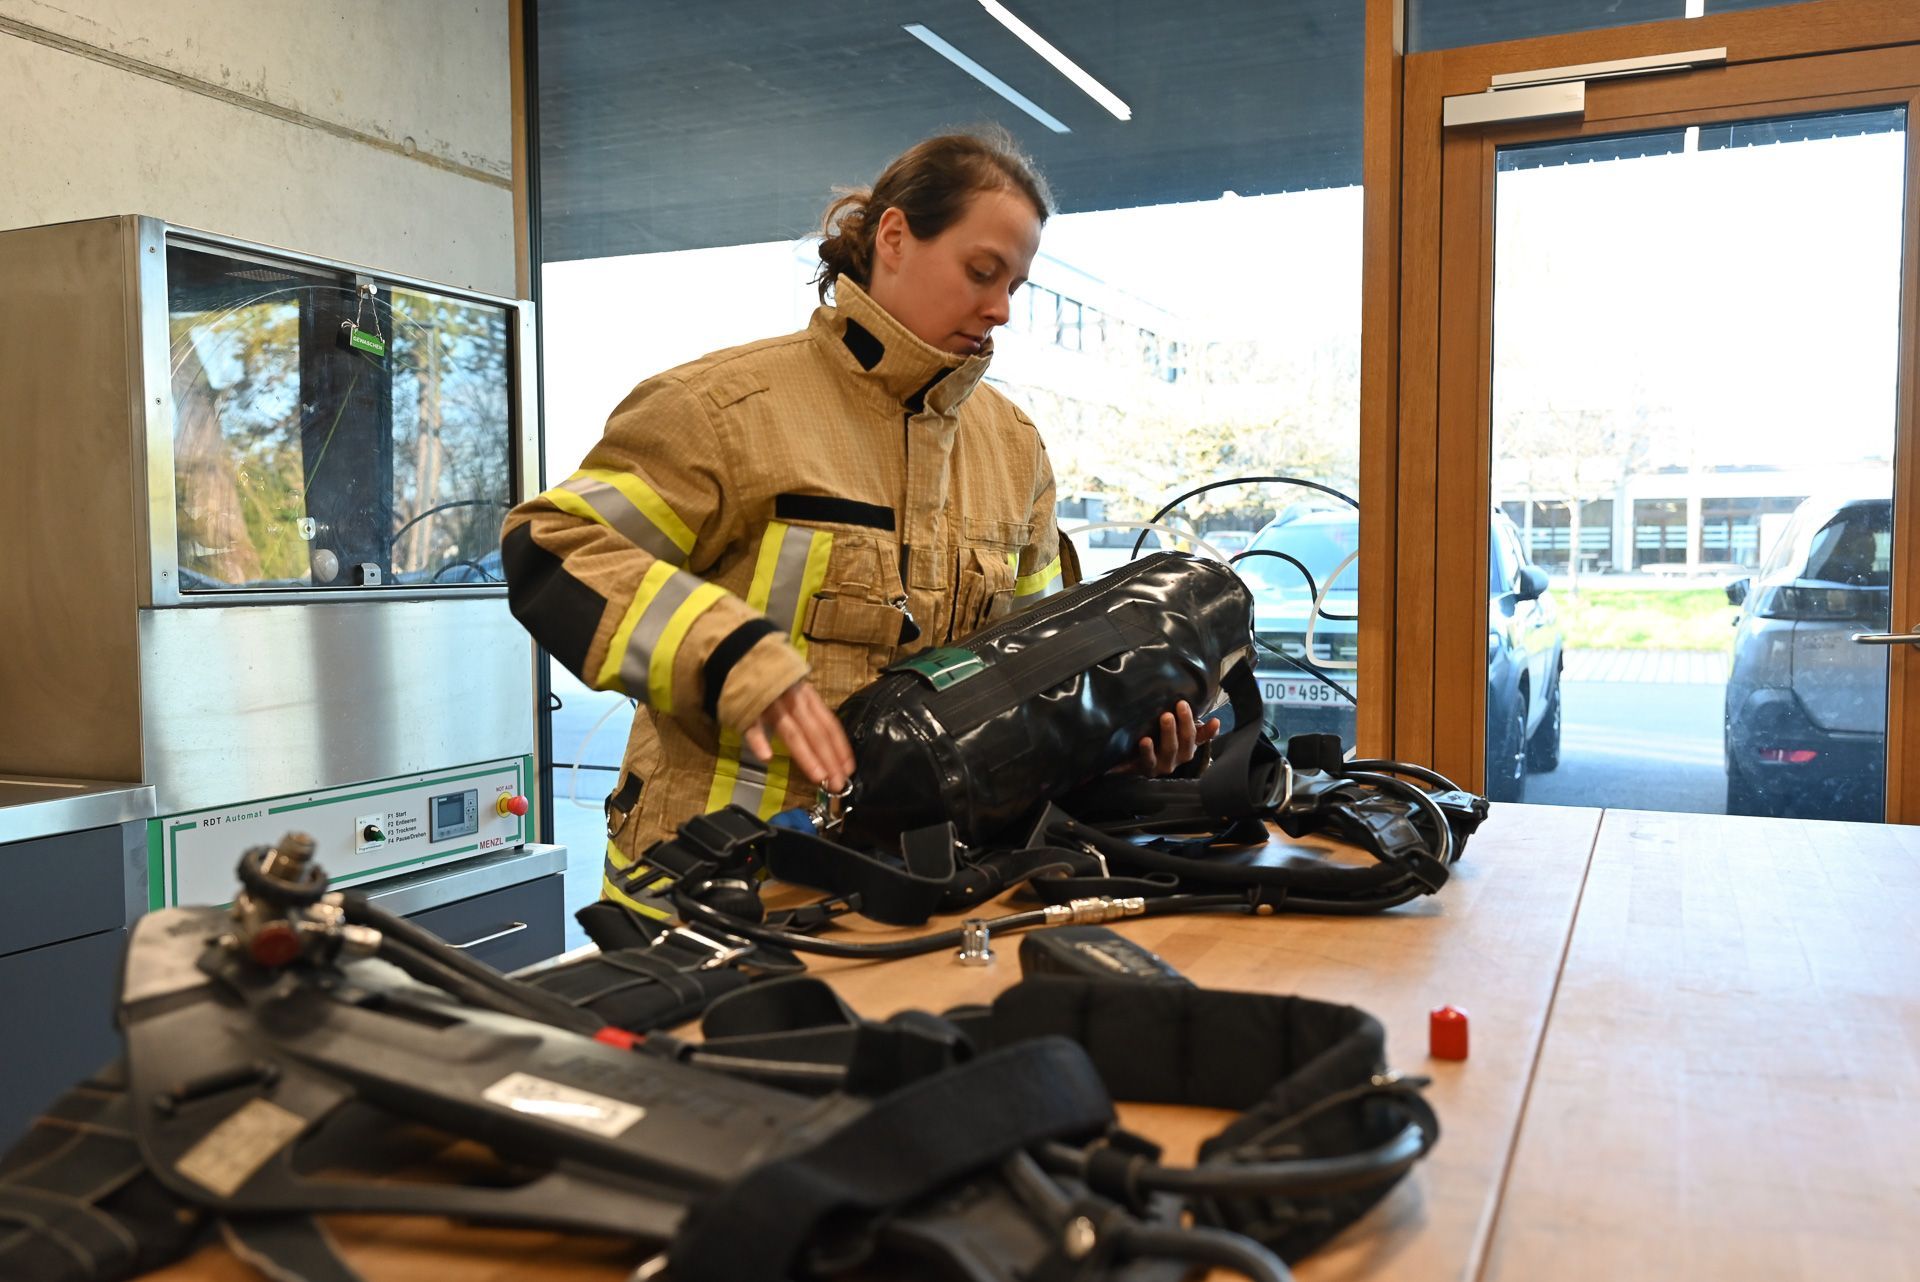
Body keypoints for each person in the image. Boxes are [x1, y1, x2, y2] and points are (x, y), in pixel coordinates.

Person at [502, 130, 1215, 915]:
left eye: (1017, 284)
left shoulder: (1015, 451)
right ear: (896, 237)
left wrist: (1115, 743)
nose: (1001, 309)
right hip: (712, 891)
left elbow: (1038, 671)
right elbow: (553, 544)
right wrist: (729, 652)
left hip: (920, 894)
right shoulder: (723, 409)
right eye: (982, 272)